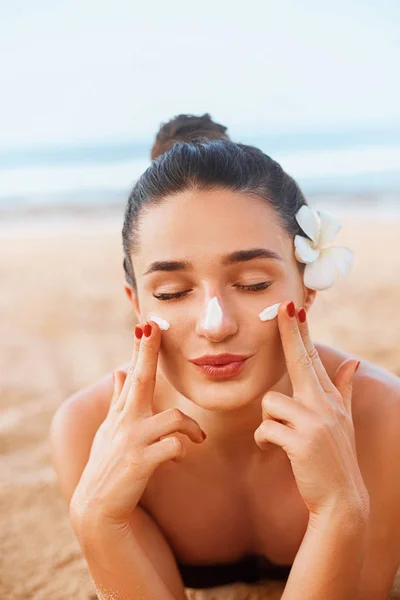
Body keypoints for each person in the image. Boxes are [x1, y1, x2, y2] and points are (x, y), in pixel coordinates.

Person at [49, 114, 400, 600]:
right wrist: (97, 521)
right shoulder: (87, 433)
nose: (216, 324)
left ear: (307, 286)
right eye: (172, 292)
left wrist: (342, 507)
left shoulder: (380, 417)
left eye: (253, 284)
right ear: (137, 302)